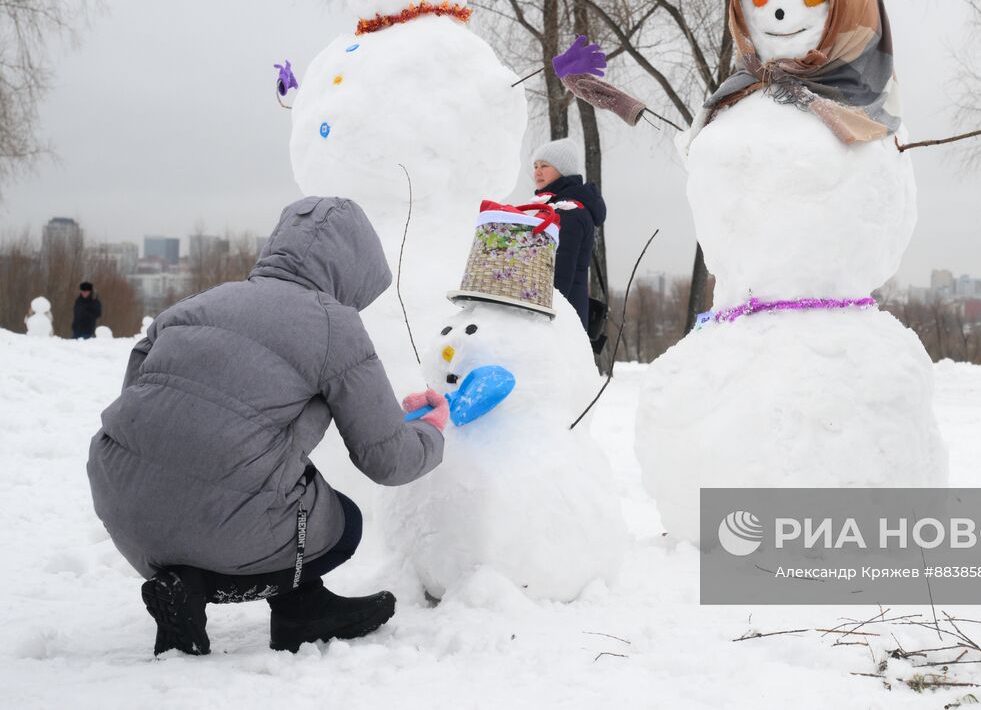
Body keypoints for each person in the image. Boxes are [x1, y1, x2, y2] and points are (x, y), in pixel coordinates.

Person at [87, 197, 450, 656]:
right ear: (355, 267)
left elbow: (141, 406)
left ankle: (209, 589)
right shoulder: (333, 325)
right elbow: (387, 459)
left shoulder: (194, 305)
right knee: (346, 523)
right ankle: (264, 605)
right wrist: (435, 431)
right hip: (217, 527)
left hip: (123, 509)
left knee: (279, 474)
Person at [531, 138, 606, 328]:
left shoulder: (567, 212)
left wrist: (539, 314)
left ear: (562, 170)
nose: (537, 171)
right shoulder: (558, 207)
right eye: (535, 165)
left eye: (545, 165)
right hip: (562, 314)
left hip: (558, 319)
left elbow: (559, 274)